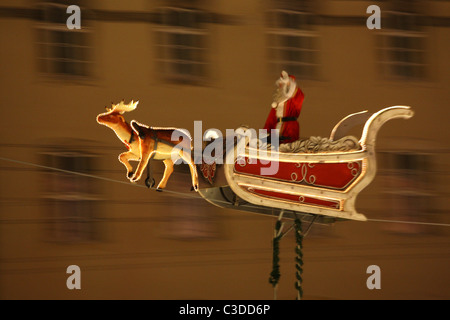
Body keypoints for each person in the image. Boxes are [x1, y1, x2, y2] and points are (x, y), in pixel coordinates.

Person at [263, 71, 304, 144]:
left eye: (282, 84)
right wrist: (264, 134)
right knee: (273, 146)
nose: (280, 87)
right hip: (277, 127)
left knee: (288, 145)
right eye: (280, 85)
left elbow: (298, 95)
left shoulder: (293, 99)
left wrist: (289, 83)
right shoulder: (277, 102)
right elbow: (271, 119)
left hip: (290, 127)